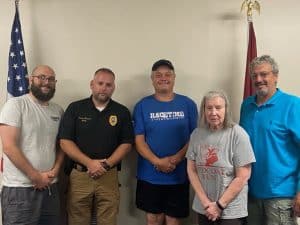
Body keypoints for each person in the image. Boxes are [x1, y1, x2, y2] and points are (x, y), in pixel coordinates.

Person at [58, 68, 134, 225]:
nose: (104, 88)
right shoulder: (75, 108)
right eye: (100, 83)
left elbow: (127, 144)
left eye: (108, 85)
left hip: (109, 175)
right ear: (92, 84)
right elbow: (65, 141)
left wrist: (105, 165)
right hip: (79, 176)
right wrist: (89, 163)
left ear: (113, 87)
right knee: (77, 220)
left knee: (108, 220)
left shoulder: (121, 112)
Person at [133, 59, 198, 225]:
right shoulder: (142, 105)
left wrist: (176, 158)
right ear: (152, 79)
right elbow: (139, 141)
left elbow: (196, 137)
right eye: (158, 75)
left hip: (179, 174)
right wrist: (158, 162)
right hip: (150, 175)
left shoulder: (188, 104)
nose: (163, 78)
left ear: (174, 77)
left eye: (168, 74)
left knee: (173, 219)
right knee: (153, 218)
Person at [240, 55, 300, 225]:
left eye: (264, 74)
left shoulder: (293, 105)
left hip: (281, 196)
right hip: (250, 193)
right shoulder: (246, 106)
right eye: (255, 76)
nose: (259, 79)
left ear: (276, 76)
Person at [0, 65, 64, 225]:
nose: (46, 82)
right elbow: (9, 146)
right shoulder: (15, 105)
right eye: (41, 77)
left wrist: (55, 171)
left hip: (50, 188)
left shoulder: (58, 111)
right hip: (20, 189)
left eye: (51, 79)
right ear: (30, 80)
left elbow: (61, 145)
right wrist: (35, 176)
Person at [186, 91, 255, 225]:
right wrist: (206, 204)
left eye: (218, 107)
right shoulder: (196, 134)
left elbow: (243, 176)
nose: (213, 112)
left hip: (231, 211)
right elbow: (191, 170)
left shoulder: (238, 134)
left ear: (226, 109)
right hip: (203, 208)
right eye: (209, 108)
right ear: (204, 109)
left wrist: (219, 206)